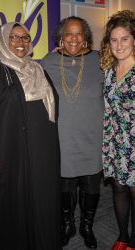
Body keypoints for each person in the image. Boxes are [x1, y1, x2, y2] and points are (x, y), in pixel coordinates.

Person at [0, 22, 61, 250]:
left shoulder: (37, 68)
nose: (20, 42)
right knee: (13, 202)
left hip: (41, 149)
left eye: (24, 38)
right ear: (4, 40)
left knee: (41, 200)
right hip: (9, 150)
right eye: (14, 37)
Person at [41, 16, 104, 249]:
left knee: (91, 187)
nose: (74, 38)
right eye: (69, 33)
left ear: (86, 37)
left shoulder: (100, 60)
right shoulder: (48, 61)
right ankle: (67, 225)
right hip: (62, 138)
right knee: (65, 188)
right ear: (61, 37)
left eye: (79, 34)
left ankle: (87, 226)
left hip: (93, 137)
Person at [100, 10, 135, 250]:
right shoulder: (109, 72)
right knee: (119, 190)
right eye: (114, 39)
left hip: (134, 142)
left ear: (134, 40)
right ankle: (123, 236)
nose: (119, 44)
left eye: (124, 39)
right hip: (115, 141)